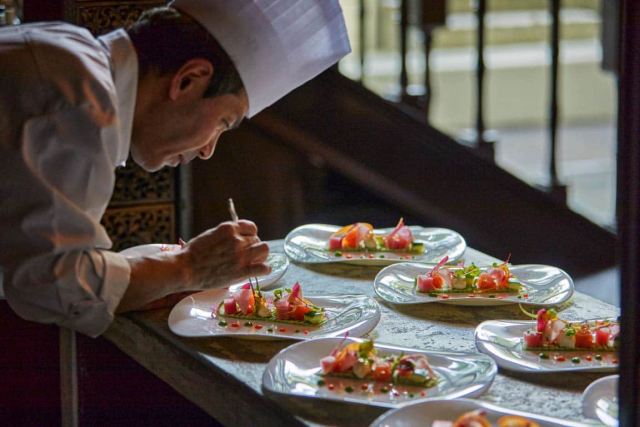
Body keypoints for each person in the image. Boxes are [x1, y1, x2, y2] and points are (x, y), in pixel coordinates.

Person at [0, 0, 351, 337]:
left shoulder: (68, 53)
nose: (208, 151)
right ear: (189, 81)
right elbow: (50, 285)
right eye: (223, 122)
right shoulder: (79, 98)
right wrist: (188, 267)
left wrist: (167, 269)